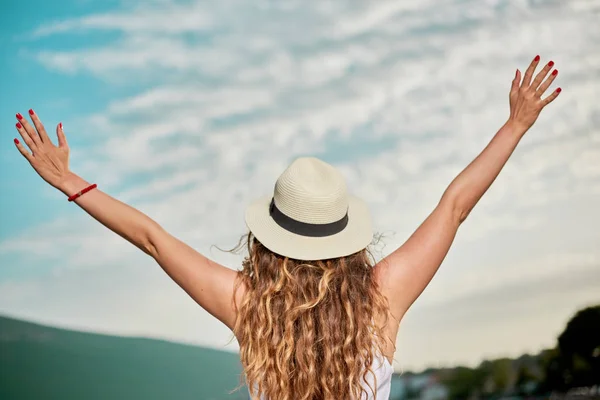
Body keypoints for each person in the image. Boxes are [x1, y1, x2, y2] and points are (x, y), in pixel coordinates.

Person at [12, 55, 561, 400]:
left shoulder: (250, 304)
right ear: (345, 235)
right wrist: (515, 125)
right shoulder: (380, 300)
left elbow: (153, 239)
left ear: (271, 237)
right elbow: (454, 208)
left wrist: (72, 183)